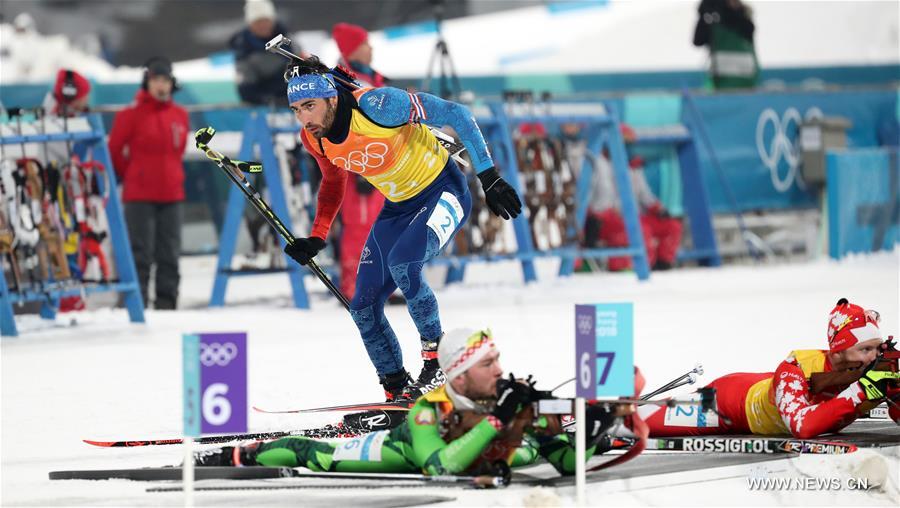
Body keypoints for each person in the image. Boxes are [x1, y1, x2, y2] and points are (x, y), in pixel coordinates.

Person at [280, 57, 523, 401]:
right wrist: (318, 235)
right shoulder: (314, 139)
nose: (305, 118)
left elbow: (456, 114)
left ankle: (437, 363)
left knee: (404, 266)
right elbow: (334, 182)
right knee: (362, 307)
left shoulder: (379, 106)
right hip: (398, 208)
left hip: (444, 191)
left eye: (310, 106)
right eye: (296, 110)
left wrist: (489, 175)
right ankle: (397, 390)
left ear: (332, 99)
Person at [194, 328, 626, 476]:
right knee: (310, 453)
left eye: (498, 361)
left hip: (481, 452)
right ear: (458, 373)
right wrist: (498, 421)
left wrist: (592, 433)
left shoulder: (508, 404)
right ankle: (235, 456)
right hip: (373, 456)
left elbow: (568, 466)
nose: (499, 372)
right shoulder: (430, 409)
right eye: (487, 363)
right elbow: (439, 467)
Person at [632, 298, 900, 439]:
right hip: (728, 405)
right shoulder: (795, 367)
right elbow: (802, 427)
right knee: (632, 422)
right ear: (839, 348)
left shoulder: (872, 372)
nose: (874, 357)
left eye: (877, 348)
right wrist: (859, 393)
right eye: (865, 349)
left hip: (763, 388)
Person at [108, 56, 189, 310]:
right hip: (139, 195)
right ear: (147, 83)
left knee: (169, 255)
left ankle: (167, 306)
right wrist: (133, 173)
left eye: (165, 80)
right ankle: (136, 306)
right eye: (156, 80)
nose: (161, 86)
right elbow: (113, 150)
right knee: (140, 254)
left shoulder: (180, 114)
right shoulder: (130, 114)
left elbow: (179, 151)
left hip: (172, 193)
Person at [331, 22, 388, 300]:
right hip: (357, 167)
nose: (371, 49)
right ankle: (354, 288)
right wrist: (361, 168)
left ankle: (381, 287)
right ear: (353, 49)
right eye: (366, 44)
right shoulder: (342, 80)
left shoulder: (375, 78)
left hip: (383, 164)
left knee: (382, 225)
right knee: (358, 228)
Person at [583, 124, 683, 271]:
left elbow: (644, 194)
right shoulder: (599, 164)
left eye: (629, 143)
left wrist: (657, 207)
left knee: (672, 226)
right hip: (606, 217)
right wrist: (596, 213)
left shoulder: (633, 166)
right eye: (622, 142)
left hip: (633, 215)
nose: (626, 147)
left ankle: (662, 265)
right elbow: (594, 196)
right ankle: (640, 268)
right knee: (640, 230)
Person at [229, 0, 301, 106]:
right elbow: (246, 91)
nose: (263, 25)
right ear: (250, 25)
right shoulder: (244, 50)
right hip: (268, 107)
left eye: (266, 20)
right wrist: (270, 100)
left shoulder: (288, 40)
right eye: (258, 22)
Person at [692, 0, 759, 90]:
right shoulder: (717, 25)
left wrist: (721, 10)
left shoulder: (742, 17)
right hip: (721, 86)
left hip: (746, 85)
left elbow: (747, 28)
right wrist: (703, 16)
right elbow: (698, 41)